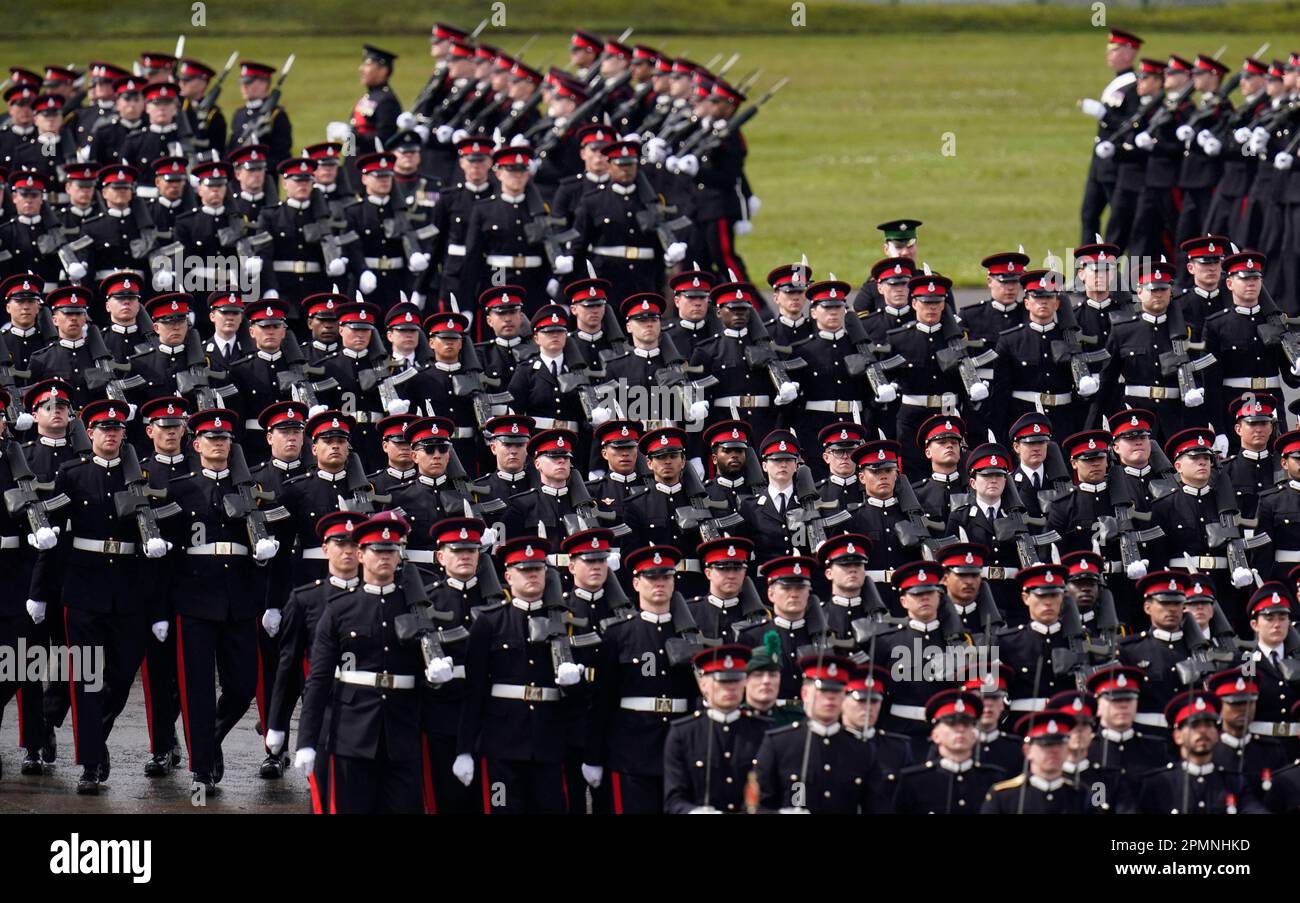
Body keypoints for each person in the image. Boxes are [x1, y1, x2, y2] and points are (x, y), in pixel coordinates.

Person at [27, 399, 165, 794]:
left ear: (124, 434)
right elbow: (52, 538)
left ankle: (95, 738)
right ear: (90, 434)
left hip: (128, 588)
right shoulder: (73, 473)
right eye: (103, 429)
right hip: (84, 588)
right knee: (87, 678)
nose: (111, 434)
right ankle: (89, 763)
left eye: (117, 429)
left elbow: (151, 537)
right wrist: (40, 591)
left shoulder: (139, 476)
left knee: (120, 678)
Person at [164, 410, 278, 792]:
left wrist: (264, 555)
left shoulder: (251, 488)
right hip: (194, 597)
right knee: (195, 687)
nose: (218, 443)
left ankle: (208, 742)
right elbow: (169, 550)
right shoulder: (180, 489)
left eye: (225, 439)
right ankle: (201, 768)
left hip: (239, 598)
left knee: (243, 686)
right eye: (211, 439)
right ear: (196, 445)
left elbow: (265, 538)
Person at [294, 514, 427, 814]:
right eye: (377, 551)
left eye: (391, 551)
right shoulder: (340, 609)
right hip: (351, 733)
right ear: (361, 555)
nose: (385, 557)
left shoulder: (417, 605)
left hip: (402, 730)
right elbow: (319, 680)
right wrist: (307, 740)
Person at [585, 544, 697, 814]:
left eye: (665, 577)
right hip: (631, 749)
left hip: (677, 746)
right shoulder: (619, 634)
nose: (659, 583)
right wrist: (594, 756)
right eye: (651, 578)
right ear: (636, 583)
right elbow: (602, 700)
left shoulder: (691, 635)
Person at [754, 653, 884, 814]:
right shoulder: (779, 744)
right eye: (823, 690)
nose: (830, 698)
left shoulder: (861, 749)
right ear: (805, 694)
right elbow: (756, 806)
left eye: (836, 691)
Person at [662, 644, 770, 814]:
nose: (730, 687)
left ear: (744, 682)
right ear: (704, 685)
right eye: (723, 680)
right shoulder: (683, 733)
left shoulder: (764, 732)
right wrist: (694, 812)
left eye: (735, 680)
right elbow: (673, 799)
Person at [1136, 690, 1266, 813]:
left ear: (1217, 733)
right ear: (1178, 736)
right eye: (1194, 725)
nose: (1203, 731)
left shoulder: (1234, 782)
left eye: (1209, 725)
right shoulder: (1159, 783)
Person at [1077, 27, 1143, 244]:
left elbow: (1131, 124)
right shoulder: (1117, 83)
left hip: (1115, 162)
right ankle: (1085, 268)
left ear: (1128, 53)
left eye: (1114, 50)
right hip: (1099, 161)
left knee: (1119, 219)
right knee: (1088, 213)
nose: (1109, 54)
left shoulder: (1132, 86)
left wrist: (1104, 115)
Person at [893, 688, 1005, 814]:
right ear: (935, 735)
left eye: (967, 724)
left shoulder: (993, 779)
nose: (960, 729)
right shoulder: (913, 781)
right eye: (952, 724)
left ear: (975, 735)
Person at [981, 710, 1090, 813]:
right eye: (1046, 745)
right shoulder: (1004, 796)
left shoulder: (1080, 795)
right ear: (1027, 750)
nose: (1054, 751)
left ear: (1067, 748)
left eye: (1059, 744)